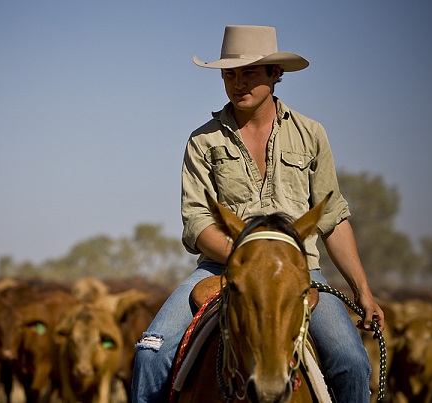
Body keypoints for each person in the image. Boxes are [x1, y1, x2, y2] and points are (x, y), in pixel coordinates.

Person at [131, 25, 385, 402]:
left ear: (275, 74)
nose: (238, 82)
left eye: (250, 72)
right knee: (150, 354)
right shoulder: (203, 141)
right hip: (221, 268)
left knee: (353, 364)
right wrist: (249, 258)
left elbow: (332, 218)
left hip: (300, 272)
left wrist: (363, 290)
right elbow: (197, 221)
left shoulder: (311, 134)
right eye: (230, 74)